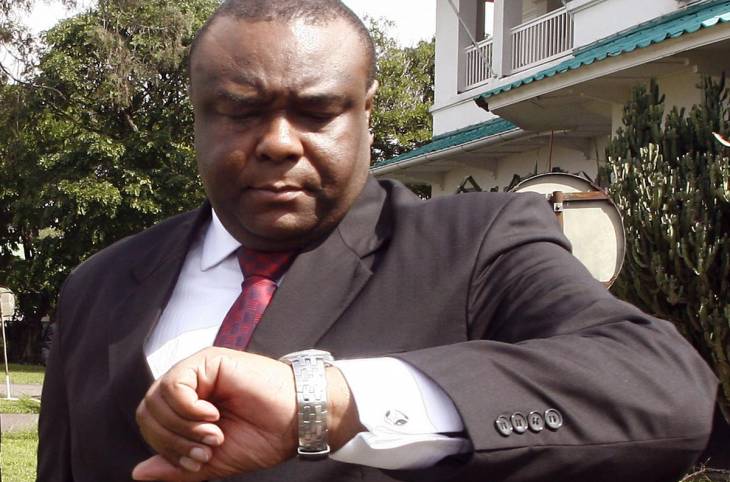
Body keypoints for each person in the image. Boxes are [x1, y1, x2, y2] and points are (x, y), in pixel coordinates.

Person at [37, 1, 720, 481]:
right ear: (197, 117)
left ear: (365, 114)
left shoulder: (477, 245)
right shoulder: (100, 283)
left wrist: (328, 403)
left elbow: (663, 390)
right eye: (241, 111)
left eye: (316, 111)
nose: (278, 142)